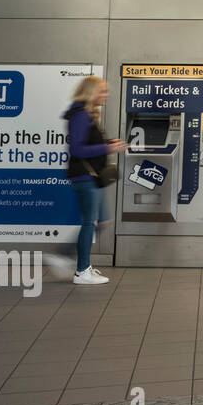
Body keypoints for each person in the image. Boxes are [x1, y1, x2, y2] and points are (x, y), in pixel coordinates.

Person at [63, 75, 127, 285]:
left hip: (92, 177)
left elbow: (87, 142)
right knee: (90, 221)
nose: (106, 95)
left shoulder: (89, 114)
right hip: (84, 176)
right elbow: (77, 149)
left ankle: (72, 259)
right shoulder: (80, 115)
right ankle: (81, 271)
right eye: (102, 91)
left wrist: (109, 142)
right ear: (91, 92)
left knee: (102, 220)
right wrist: (108, 148)